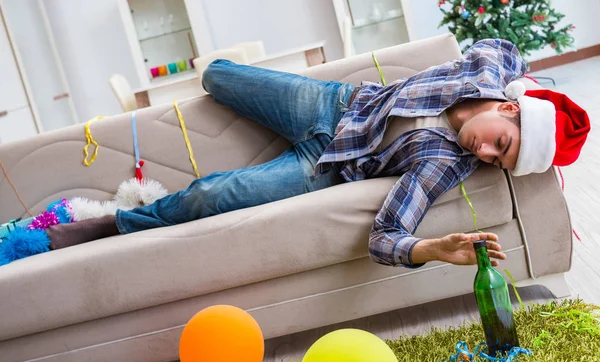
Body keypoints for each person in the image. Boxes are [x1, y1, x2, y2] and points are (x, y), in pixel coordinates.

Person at [45, 39, 590, 269]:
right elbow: (505, 49)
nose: (488, 153)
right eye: (503, 141)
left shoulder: (446, 164)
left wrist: (430, 250)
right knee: (217, 75)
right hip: (335, 104)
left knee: (213, 194)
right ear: (511, 109)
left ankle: (114, 224)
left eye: (500, 161)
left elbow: (386, 236)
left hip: (328, 167)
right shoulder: (487, 72)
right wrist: (529, 92)